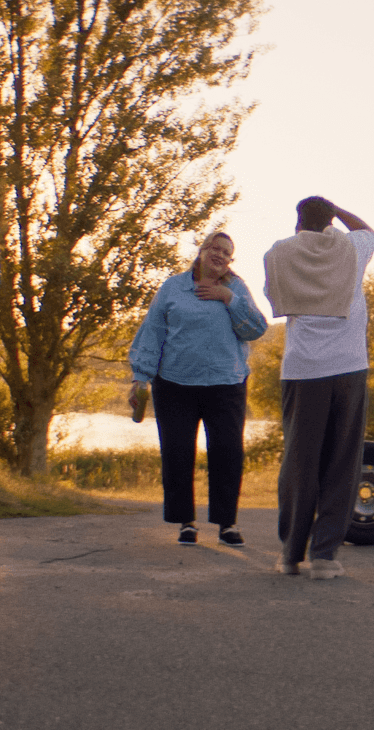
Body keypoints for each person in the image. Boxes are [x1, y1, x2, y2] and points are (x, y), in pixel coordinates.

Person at [128, 231, 268, 548]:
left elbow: (257, 328)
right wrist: (141, 377)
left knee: (227, 453)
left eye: (227, 253)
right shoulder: (173, 287)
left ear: (230, 261)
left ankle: (227, 524)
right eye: (214, 249)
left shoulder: (236, 287)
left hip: (226, 384)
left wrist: (226, 298)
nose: (220, 255)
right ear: (202, 251)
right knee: (178, 452)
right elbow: (152, 331)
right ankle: (185, 522)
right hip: (175, 384)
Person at [262, 197, 374, 580]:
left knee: (299, 461)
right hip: (348, 366)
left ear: (297, 224)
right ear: (330, 223)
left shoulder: (279, 253)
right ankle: (324, 556)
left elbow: (272, 292)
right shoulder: (350, 248)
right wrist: (339, 210)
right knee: (341, 461)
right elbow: (367, 230)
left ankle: (290, 555)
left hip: (302, 367)